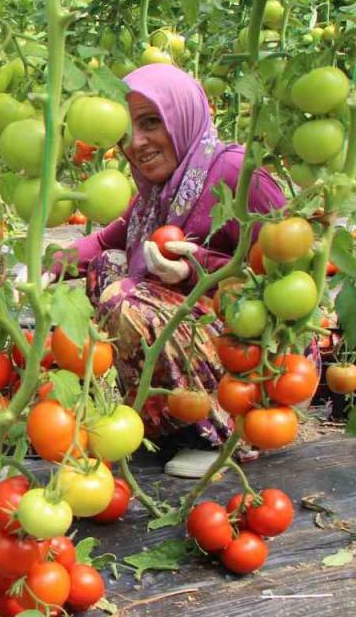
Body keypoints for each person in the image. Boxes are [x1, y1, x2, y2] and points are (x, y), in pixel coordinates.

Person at [51, 63, 287, 477]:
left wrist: (196, 271)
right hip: (201, 335)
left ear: (182, 117)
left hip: (257, 353)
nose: (137, 143)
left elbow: (288, 280)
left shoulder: (235, 172)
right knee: (107, 268)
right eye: (127, 131)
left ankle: (222, 432)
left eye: (151, 123)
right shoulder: (155, 191)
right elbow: (109, 240)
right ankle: (168, 426)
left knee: (124, 298)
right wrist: (48, 267)